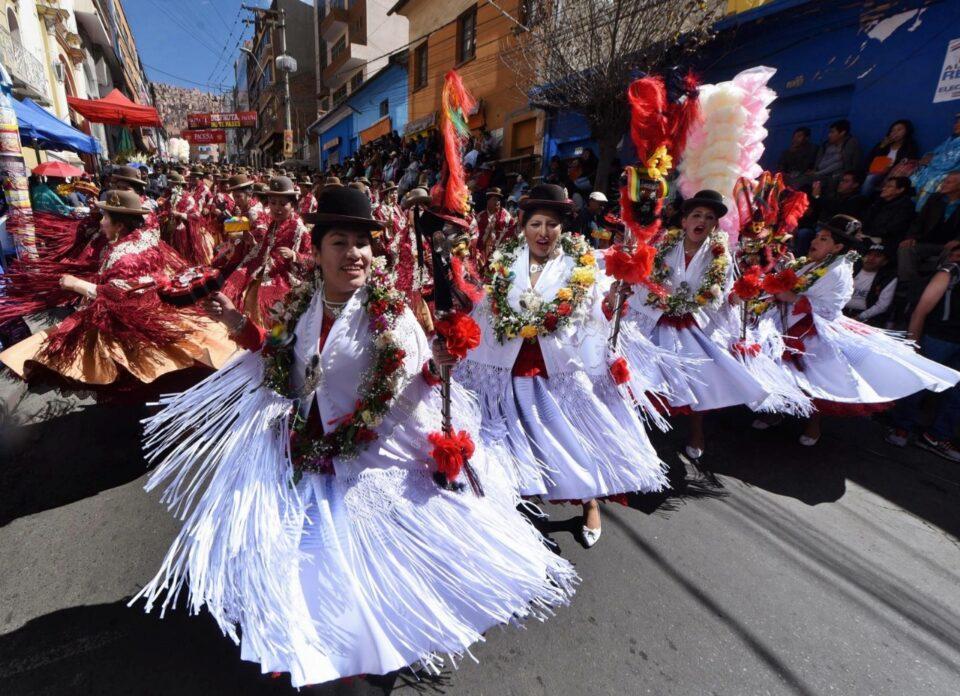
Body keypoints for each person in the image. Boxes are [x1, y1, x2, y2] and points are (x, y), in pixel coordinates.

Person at [134, 185, 576, 688]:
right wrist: (240, 325)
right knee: (310, 570)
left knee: (367, 573)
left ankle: (366, 649)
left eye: (362, 243)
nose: (355, 254)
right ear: (318, 253)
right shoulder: (300, 306)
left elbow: (416, 381)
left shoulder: (390, 314)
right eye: (340, 242)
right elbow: (281, 368)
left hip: (370, 454)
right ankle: (320, 649)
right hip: (303, 450)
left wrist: (437, 365)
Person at [458, 184, 668, 547]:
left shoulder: (579, 263)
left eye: (551, 224)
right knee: (515, 444)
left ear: (563, 228)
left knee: (571, 440)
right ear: (524, 227)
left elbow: (594, 309)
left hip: (557, 367)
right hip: (506, 365)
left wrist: (613, 299)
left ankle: (590, 503)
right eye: (536, 223)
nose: (543, 232)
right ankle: (522, 512)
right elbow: (488, 312)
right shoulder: (506, 261)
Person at [0, 189, 236, 386]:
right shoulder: (144, 240)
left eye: (105, 217)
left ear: (120, 224)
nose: (101, 222)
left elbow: (118, 293)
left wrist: (77, 284)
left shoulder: (122, 255)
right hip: (152, 311)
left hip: (135, 318)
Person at [764, 214, 959, 445]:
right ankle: (775, 412)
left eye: (824, 239)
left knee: (816, 380)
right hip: (790, 323)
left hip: (817, 332)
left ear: (838, 247)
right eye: (817, 236)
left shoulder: (839, 270)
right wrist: (788, 270)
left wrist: (793, 297)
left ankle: (812, 424)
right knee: (783, 372)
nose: (815, 241)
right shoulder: (813, 262)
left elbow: (828, 308)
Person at [618, 190, 770, 459]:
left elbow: (718, 295)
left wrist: (739, 294)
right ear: (684, 221)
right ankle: (634, 432)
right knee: (639, 375)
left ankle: (696, 431)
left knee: (698, 379)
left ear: (715, 225)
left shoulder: (720, 255)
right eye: (696, 215)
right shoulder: (665, 244)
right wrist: (654, 296)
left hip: (693, 321)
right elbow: (646, 280)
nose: (702, 221)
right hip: (656, 315)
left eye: (709, 217)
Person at [886, 247, 960, 460]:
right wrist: (913, 343)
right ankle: (901, 426)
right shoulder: (950, 272)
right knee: (919, 383)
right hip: (939, 338)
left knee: (956, 395)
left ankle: (936, 436)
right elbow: (922, 309)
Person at [222, 176, 312, 326]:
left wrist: (294, 255)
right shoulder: (274, 224)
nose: (277, 208)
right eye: (273, 203)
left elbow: (313, 258)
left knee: (270, 310)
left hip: (287, 279)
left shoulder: (299, 228)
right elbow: (262, 247)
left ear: (293, 205)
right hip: (265, 271)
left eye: (283, 204)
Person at [897, 171, 960, 304]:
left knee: (951, 253)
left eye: (949, 182)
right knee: (905, 249)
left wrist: (957, 241)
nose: (943, 184)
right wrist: (911, 236)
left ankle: (937, 288)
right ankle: (907, 287)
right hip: (927, 242)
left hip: (950, 246)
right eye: (944, 181)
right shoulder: (935, 198)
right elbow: (919, 221)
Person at [794, 171, 869, 256]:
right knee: (801, 230)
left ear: (855, 185)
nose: (841, 183)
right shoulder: (834, 195)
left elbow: (837, 208)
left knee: (805, 234)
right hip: (819, 227)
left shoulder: (858, 199)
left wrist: (817, 197)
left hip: (835, 234)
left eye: (846, 181)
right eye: (841, 180)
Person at [911, 113, 960, 210]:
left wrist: (932, 159)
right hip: (933, 170)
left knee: (933, 182)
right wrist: (928, 157)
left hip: (950, 173)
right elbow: (933, 153)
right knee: (911, 178)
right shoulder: (950, 140)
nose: (956, 125)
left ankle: (922, 213)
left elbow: (950, 162)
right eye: (957, 123)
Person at [796, 120, 862, 191]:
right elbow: (819, 163)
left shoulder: (850, 144)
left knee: (803, 182)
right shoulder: (826, 145)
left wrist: (817, 173)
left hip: (833, 178)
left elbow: (847, 165)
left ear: (842, 133)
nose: (829, 135)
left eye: (832, 132)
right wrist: (815, 171)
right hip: (819, 175)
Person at [862, 119, 920, 196]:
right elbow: (871, 159)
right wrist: (882, 147)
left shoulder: (910, 146)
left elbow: (905, 163)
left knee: (871, 178)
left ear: (907, 131)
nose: (895, 132)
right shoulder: (883, 144)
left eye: (899, 130)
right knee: (870, 177)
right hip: (876, 172)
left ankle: (863, 201)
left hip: (892, 175)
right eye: (893, 130)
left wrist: (889, 169)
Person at [844, 242, 897, 326]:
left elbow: (882, 306)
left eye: (877, 256)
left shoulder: (888, 278)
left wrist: (860, 317)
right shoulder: (850, 269)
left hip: (866, 319)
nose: (871, 258)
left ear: (885, 262)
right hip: (840, 311)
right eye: (869, 255)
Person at [859, 176, 915, 245]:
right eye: (885, 186)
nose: (883, 188)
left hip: (886, 240)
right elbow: (866, 217)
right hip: (867, 234)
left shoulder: (906, 207)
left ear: (900, 190)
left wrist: (868, 234)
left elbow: (892, 229)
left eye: (889, 187)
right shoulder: (879, 201)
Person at [475, 187, 514, 266]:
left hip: (498, 254)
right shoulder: (479, 217)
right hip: (481, 252)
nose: (497, 202)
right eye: (494, 199)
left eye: (499, 200)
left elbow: (511, 235)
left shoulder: (507, 217)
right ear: (488, 201)